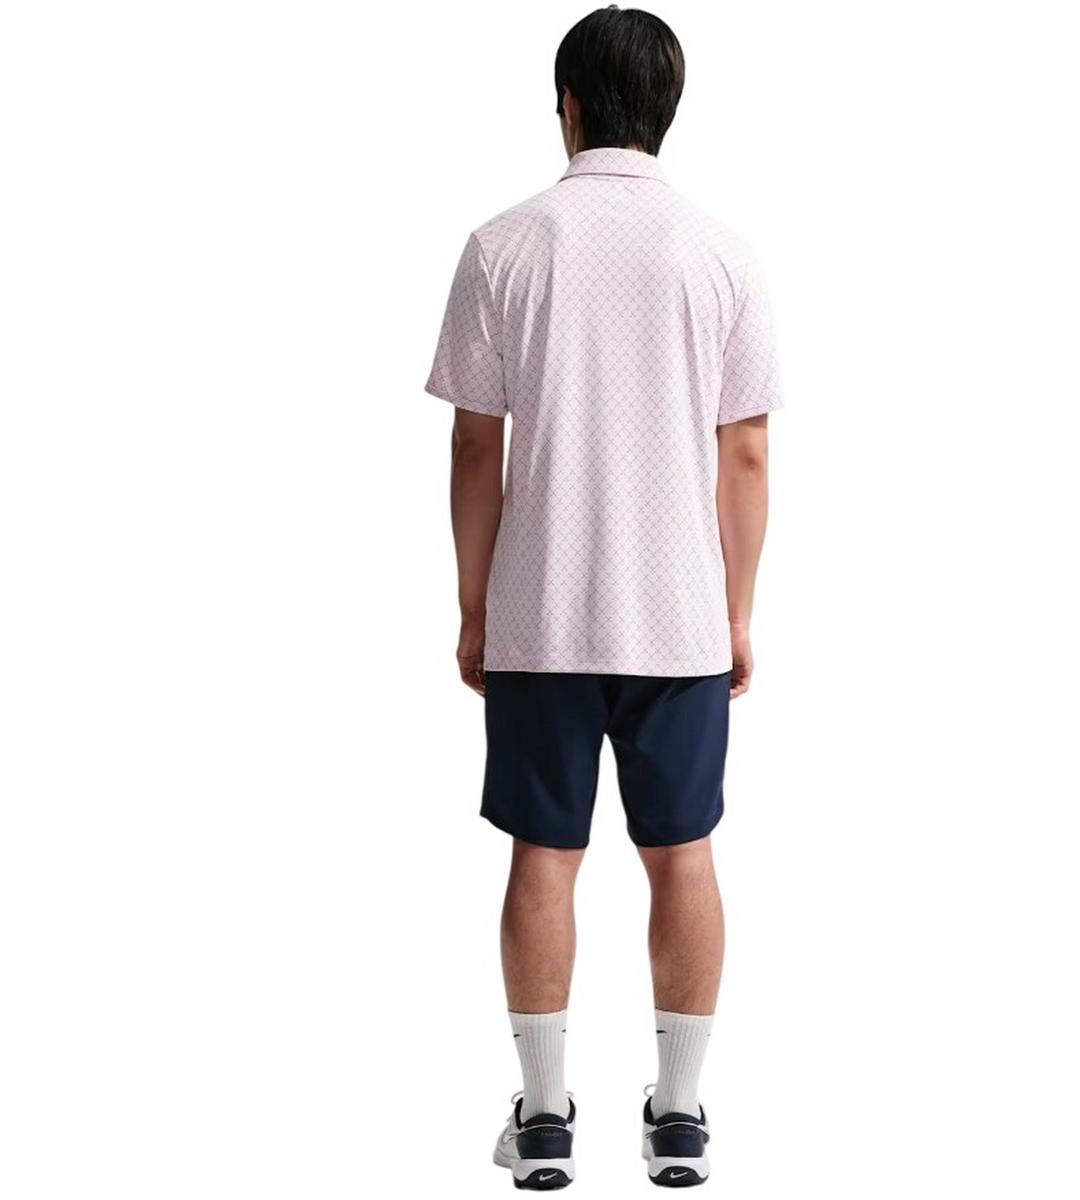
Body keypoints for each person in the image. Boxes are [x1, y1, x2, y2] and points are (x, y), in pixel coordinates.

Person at [424, 5, 782, 1188]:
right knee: (684, 856)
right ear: (669, 108)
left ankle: (542, 1120)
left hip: (542, 613)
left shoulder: (504, 246)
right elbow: (745, 453)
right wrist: (736, 612)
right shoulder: (722, 254)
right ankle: (677, 1115)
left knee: (545, 854)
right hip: (678, 617)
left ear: (567, 104)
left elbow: (476, 444)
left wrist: (474, 604)